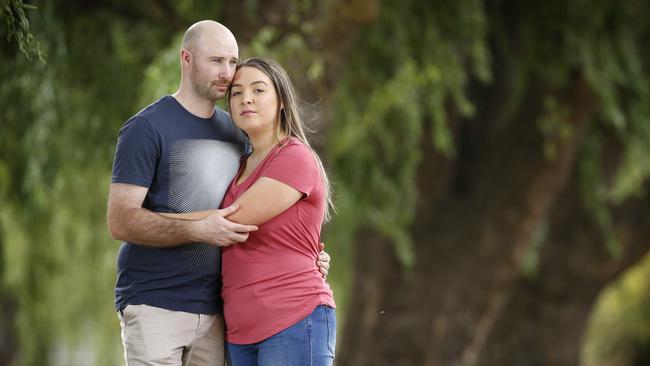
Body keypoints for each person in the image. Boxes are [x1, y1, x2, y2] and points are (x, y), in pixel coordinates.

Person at [107, 21, 330, 366]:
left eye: (232, 61)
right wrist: (195, 228)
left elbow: (260, 216)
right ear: (186, 58)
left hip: (218, 313)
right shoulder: (147, 128)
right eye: (216, 61)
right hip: (156, 301)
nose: (228, 74)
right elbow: (121, 220)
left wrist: (308, 257)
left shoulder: (239, 134)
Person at [167, 58, 337, 365]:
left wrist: (155, 222)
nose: (246, 98)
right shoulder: (240, 165)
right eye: (236, 93)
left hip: (293, 318)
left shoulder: (294, 156)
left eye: (259, 90)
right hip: (242, 330)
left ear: (282, 101)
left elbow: (230, 220)